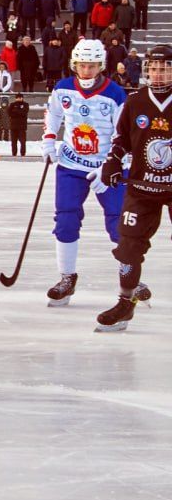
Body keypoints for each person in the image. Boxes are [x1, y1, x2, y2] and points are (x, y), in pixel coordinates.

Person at [42, 38, 130, 306]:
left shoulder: (115, 94)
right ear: (74, 64)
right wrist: (48, 138)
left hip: (108, 168)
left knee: (120, 224)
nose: (86, 71)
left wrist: (110, 167)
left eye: (92, 66)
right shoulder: (63, 88)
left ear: (101, 66)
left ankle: (130, 278)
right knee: (66, 220)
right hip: (71, 165)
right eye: (82, 65)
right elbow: (54, 114)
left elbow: (123, 134)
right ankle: (66, 278)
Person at [94, 45, 172, 330]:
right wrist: (113, 160)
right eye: (154, 68)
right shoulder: (135, 102)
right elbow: (121, 138)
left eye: (165, 68)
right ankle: (126, 303)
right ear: (147, 70)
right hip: (143, 186)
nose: (159, 73)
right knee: (127, 247)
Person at [7, 91, 29, 156]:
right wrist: (18, 111)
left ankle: (23, 153)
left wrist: (15, 111)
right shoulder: (12, 105)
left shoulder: (25, 104)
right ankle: (14, 153)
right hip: (13, 126)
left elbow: (24, 113)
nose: (19, 99)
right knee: (13, 142)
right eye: (17, 98)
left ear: (22, 98)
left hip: (22, 127)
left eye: (20, 97)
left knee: (22, 141)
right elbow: (9, 113)